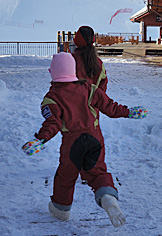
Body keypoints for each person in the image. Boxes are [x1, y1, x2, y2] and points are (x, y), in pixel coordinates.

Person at [22, 52, 147, 228]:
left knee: (66, 176)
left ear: (53, 72)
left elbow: (53, 122)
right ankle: (107, 197)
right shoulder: (90, 88)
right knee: (97, 172)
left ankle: (61, 209)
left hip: (72, 143)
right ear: (72, 70)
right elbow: (110, 108)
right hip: (95, 137)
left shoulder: (52, 98)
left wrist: (41, 140)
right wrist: (129, 112)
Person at [72, 25, 108, 92]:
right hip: (92, 101)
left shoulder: (69, 60)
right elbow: (102, 87)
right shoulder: (99, 63)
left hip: (71, 101)